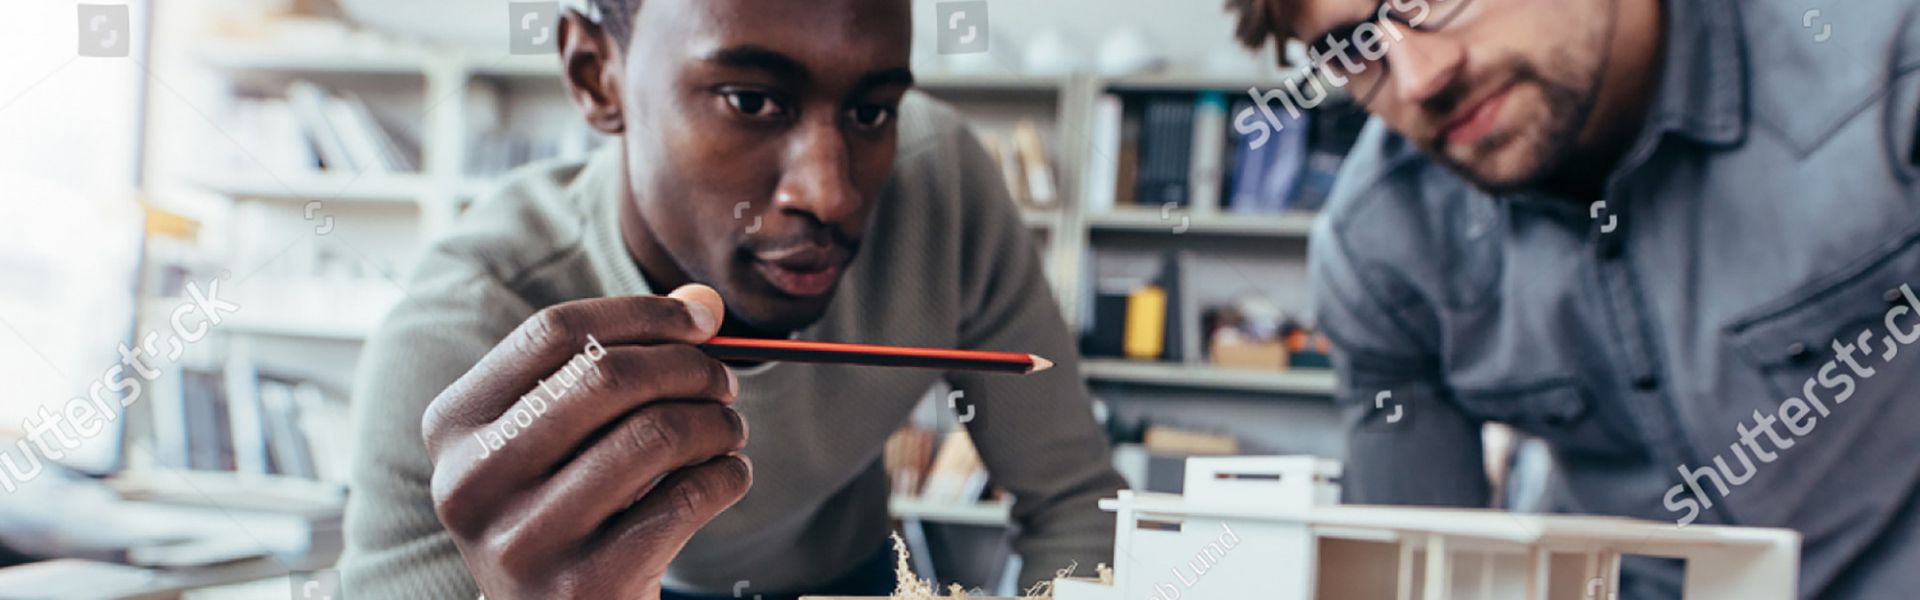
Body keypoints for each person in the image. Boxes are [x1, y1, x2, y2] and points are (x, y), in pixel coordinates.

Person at [336, 0, 1126, 597]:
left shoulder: (941, 182)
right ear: (595, 75)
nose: (831, 194)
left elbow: (1076, 504)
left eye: (870, 112)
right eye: (750, 101)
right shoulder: (465, 332)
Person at [1224, 0, 1920, 597]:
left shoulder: (1887, 64)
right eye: (1352, 49)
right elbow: (1410, 573)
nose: (1418, 78)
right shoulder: (1382, 247)